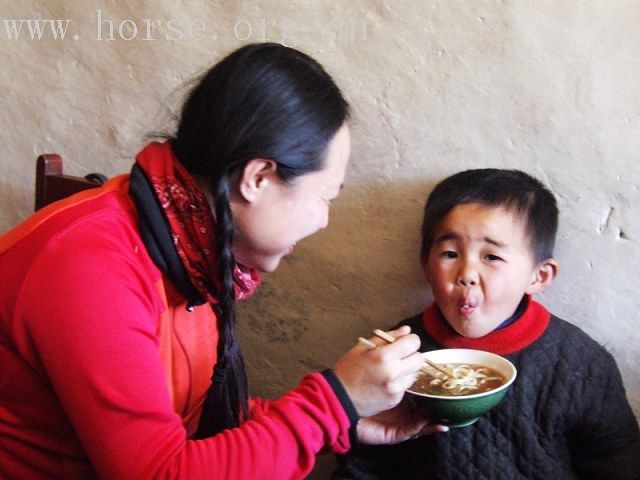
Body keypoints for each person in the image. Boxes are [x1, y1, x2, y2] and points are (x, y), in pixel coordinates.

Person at [0, 43, 429, 479]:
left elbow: (192, 416)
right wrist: (335, 401)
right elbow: (161, 473)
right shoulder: (91, 268)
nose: (323, 222)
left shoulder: (192, 245)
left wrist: (345, 422)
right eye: (324, 198)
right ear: (257, 179)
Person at [334, 169, 640, 479]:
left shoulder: (581, 364)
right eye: (450, 253)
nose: (466, 273)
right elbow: (362, 466)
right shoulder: (394, 355)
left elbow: (617, 462)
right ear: (426, 266)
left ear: (539, 276)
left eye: (492, 257)